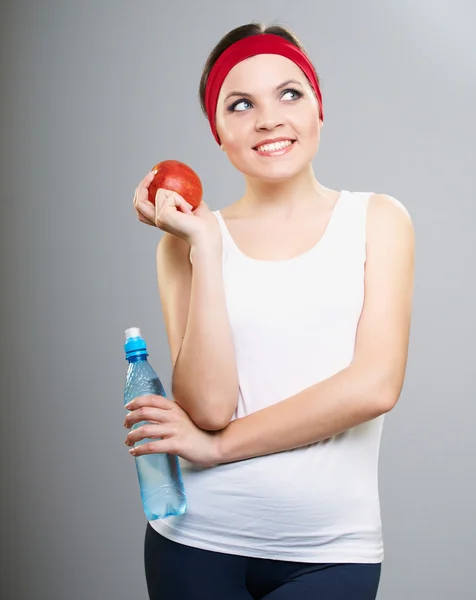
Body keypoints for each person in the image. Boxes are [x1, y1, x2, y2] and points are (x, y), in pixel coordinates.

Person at [126, 21, 415, 600]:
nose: (269, 119)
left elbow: (374, 387)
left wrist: (219, 448)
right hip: (196, 543)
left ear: (318, 108)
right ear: (218, 132)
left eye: (290, 93)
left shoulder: (379, 221)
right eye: (240, 105)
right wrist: (205, 247)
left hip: (332, 553)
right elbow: (207, 406)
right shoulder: (183, 243)